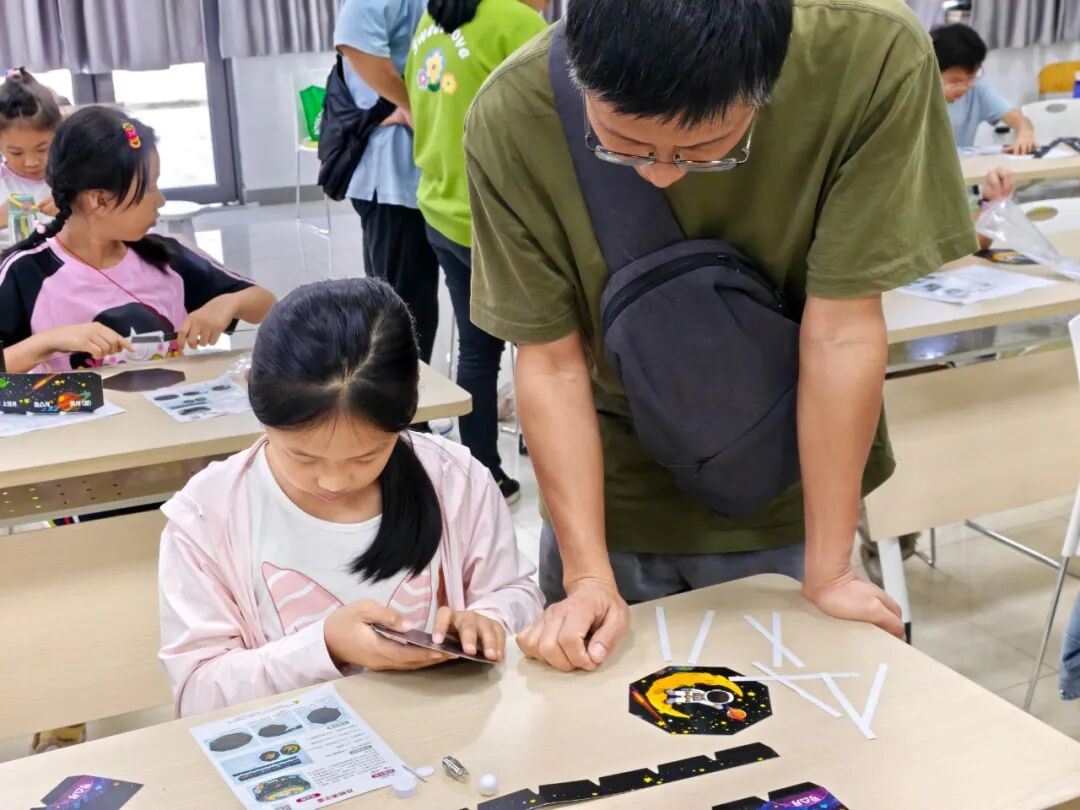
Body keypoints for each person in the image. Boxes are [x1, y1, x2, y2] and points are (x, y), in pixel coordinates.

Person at [465, 0, 978, 672]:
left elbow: (842, 330)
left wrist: (829, 569)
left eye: (704, 149)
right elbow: (551, 362)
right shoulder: (511, 113)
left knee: (802, 723)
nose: (661, 172)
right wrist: (588, 577)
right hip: (609, 486)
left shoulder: (868, 54)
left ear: (766, 84)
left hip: (786, 474)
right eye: (622, 145)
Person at [158, 277, 543, 715]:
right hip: (297, 747)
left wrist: (490, 620)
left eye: (366, 456)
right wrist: (324, 647)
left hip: (443, 733)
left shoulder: (454, 479)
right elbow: (197, 694)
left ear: (406, 414)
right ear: (257, 402)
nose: (333, 482)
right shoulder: (207, 516)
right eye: (303, 457)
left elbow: (516, 592)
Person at [0, 107, 275, 374]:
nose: (160, 200)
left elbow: (267, 305)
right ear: (100, 200)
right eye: (149, 187)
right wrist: (50, 342)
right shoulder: (26, 272)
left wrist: (227, 304)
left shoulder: (165, 257)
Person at [405, 0, 548, 503]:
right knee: (546, 349)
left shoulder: (431, 22)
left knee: (478, 347)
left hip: (443, 207)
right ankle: (550, 456)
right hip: (499, 216)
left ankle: (485, 471)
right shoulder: (517, 23)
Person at [335, 0, 440, 366]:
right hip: (392, 177)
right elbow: (355, 42)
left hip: (415, 175)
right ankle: (404, 399)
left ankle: (404, 395)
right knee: (403, 310)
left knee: (409, 302)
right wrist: (413, 105)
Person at [931, 23, 1037, 154]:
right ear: (931, 72)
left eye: (971, 77)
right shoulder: (915, 94)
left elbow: (1019, 120)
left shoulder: (977, 88)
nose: (965, 87)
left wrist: (1025, 133)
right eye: (955, 81)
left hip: (964, 165)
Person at [0, 68, 62, 229]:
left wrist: (74, 212)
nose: (31, 162)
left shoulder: (75, 178)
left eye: (42, 149)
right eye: (16, 153)